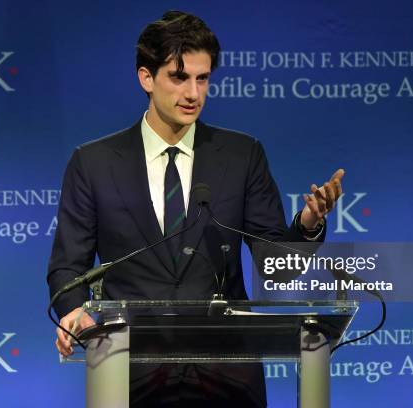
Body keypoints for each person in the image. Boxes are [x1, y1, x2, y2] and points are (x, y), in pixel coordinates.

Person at [47, 10, 344, 407]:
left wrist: (307, 226)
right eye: (179, 77)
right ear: (146, 78)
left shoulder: (241, 155)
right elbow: (68, 268)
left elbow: (277, 267)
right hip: (129, 372)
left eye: (202, 79)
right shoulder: (94, 162)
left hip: (226, 375)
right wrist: (74, 311)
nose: (193, 94)